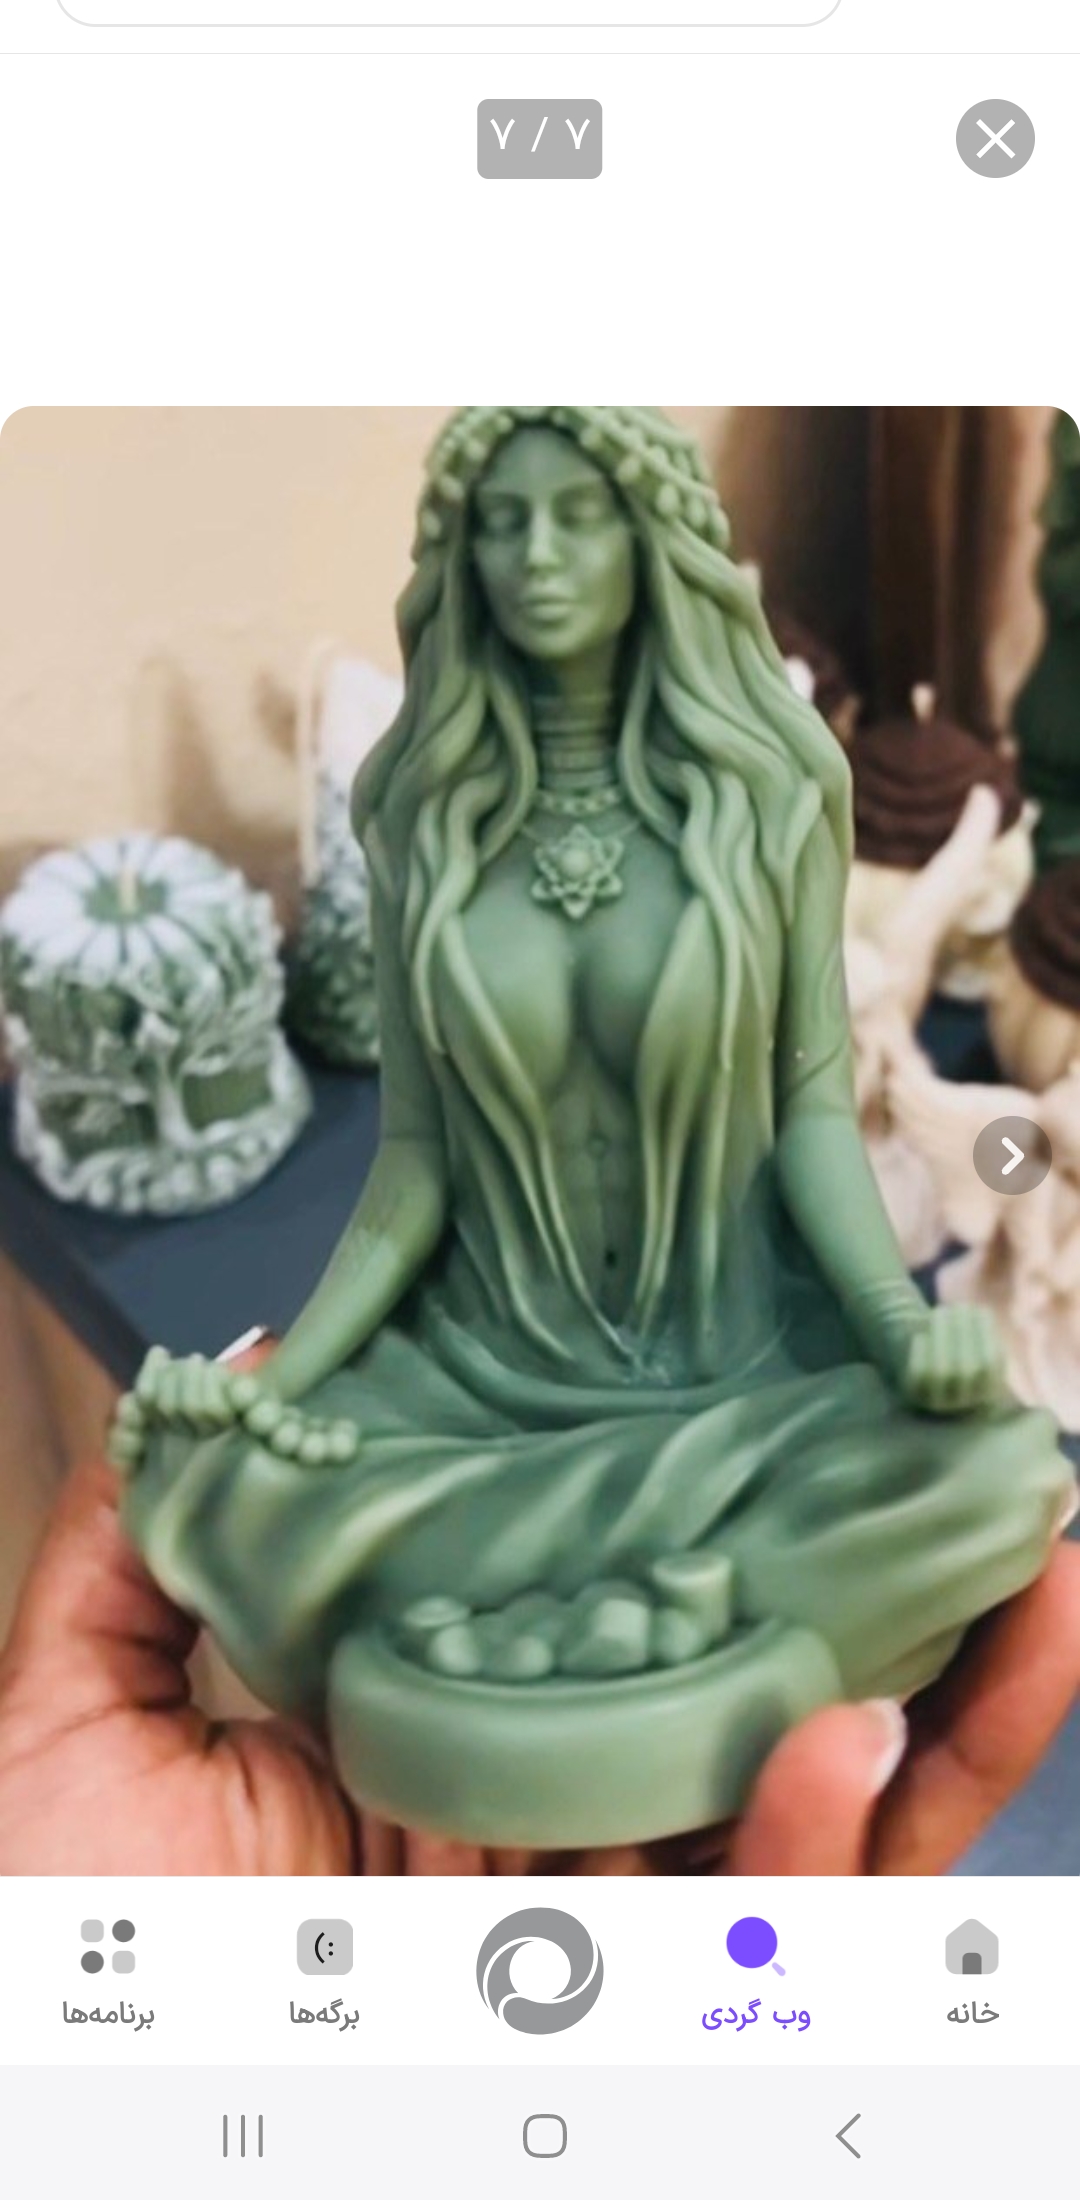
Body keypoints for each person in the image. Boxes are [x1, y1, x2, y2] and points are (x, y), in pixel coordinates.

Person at [109, 407, 1071, 1853]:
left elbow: (817, 1117)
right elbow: (415, 1166)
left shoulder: (768, 797)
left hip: (740, 1373)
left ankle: (551, 1615)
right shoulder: (425, 820)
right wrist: (282, 1383)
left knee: (994, 1469)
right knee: (210, 1482)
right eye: (502, 523)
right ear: (460, 558)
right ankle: (635, 1609)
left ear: (652, 540)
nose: (537, 556)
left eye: (578, 515)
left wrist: (898, 1331)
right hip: (483, 1379)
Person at [1, 1436, 1078, 1873]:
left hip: (714, 1405)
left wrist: (906, 1342)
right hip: (485, 1402)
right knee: (270, 1480)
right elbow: (403, 1211)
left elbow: (815, 1188)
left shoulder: (738, 1036)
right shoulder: (465, 1027)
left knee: (967, 1465)